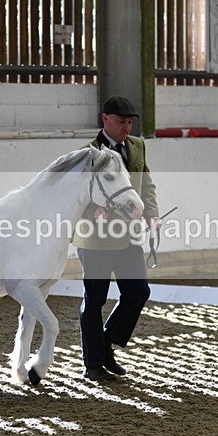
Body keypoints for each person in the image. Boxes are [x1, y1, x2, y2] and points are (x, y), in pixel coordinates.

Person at [72, 95, 162, 382]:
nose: (127, 128)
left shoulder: (137, 147)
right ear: (105, 119)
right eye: (122, 122)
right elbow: (76, 196)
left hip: (128, 238)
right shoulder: (88, 155)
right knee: (94, 300)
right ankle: (93, 363)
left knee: (138, 293)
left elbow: (145, 184)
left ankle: (106, 343)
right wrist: (92, 212)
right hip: (95, 240)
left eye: (130, 122)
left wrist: (151, 213)